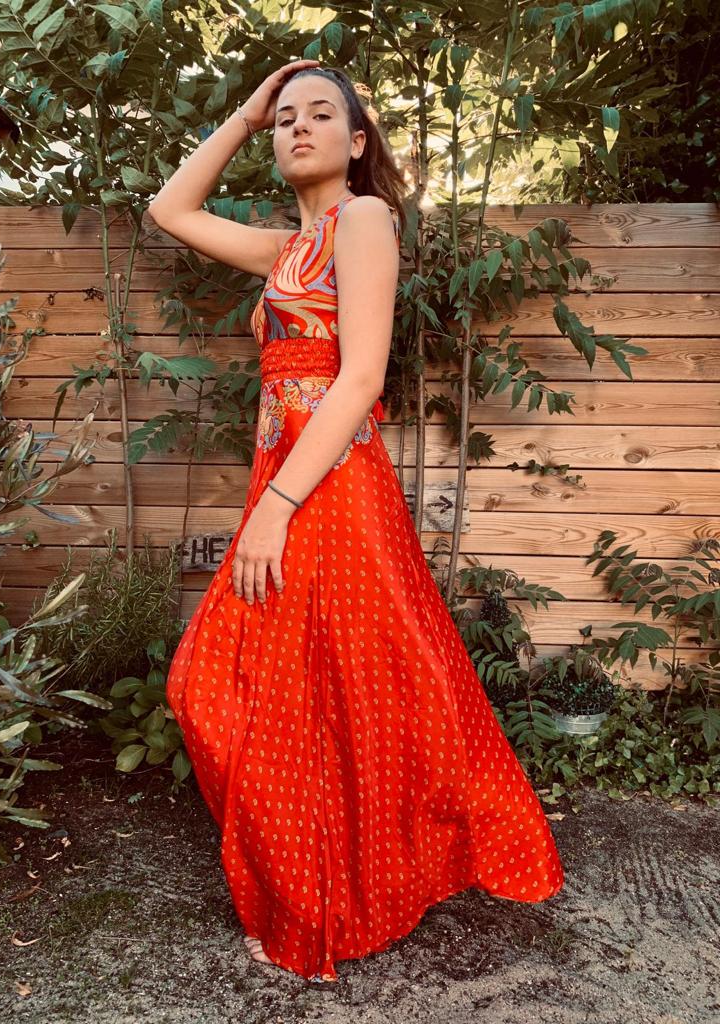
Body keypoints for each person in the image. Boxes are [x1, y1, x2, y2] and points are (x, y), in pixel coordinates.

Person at [150, 61, 564, 985]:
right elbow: (169, 210)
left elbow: (362, 376)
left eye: (320, 113)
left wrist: (275, 511)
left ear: (357, 140)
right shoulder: (286, 247)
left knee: (315, 687)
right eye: (285, 119)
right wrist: (243, 113)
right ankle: (322, 886)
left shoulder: (363, 219)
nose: (298, 126)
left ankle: (325, 903)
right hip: (288, 483)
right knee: (255, 687)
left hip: (327, 488)